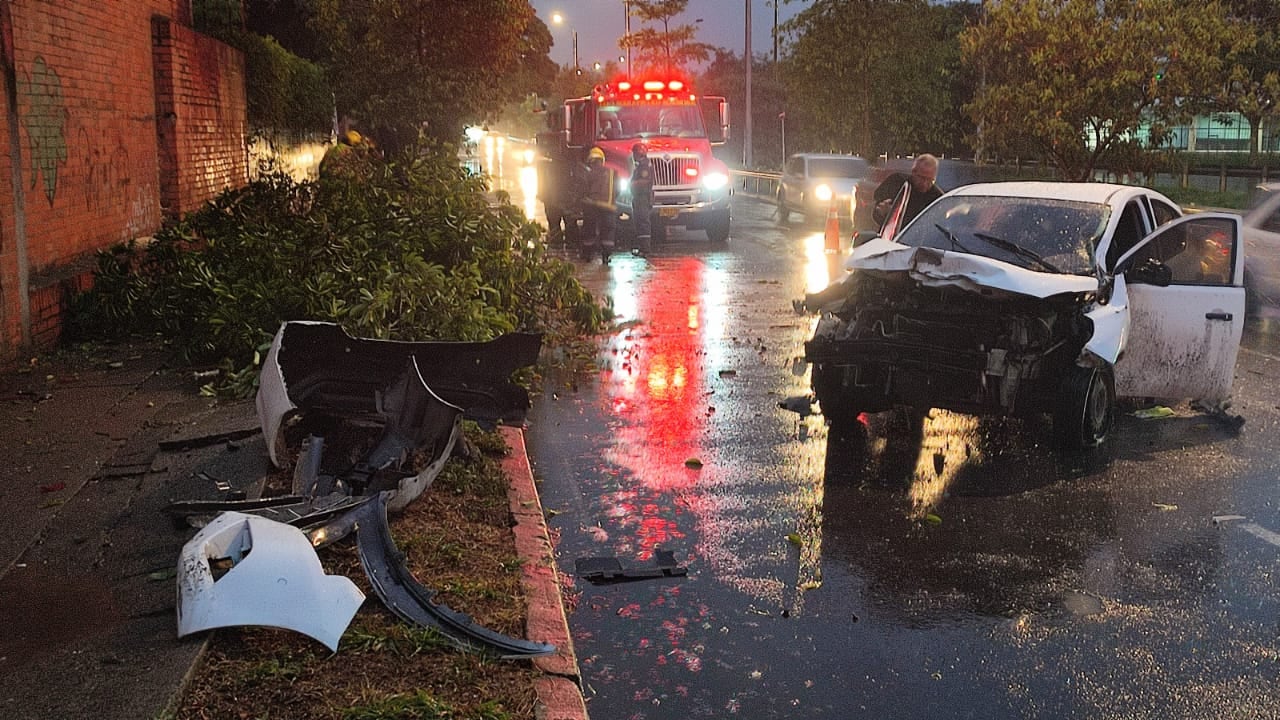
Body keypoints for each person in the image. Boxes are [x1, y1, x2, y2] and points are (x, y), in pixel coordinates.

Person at [871, 154, 944, 238]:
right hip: (890, 239)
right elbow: (877, 209)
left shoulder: (937, 198)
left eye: (930, 180)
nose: (924, 183)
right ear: (913, 172)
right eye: (922, 178)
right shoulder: (896, 182)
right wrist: (884, 213)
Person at [580, 146, 617, 264]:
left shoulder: (587, 174)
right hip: (609, 207)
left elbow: (583, 190)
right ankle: (606, 256)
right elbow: (617, 190)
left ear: (590, 161)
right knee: (607, 233)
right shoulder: (613, 173)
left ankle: (588, 255)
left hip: (591, 206)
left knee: (589, 231)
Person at [628, 143, 655, 257]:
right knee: (639, 222)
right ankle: (642, 247)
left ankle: (645, 249)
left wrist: (632, 183)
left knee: (643, 222)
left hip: (642, 197)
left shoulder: (644, 166)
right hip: (640, 197)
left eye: (634, 153)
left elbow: (644, 181)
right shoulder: (642, 165)